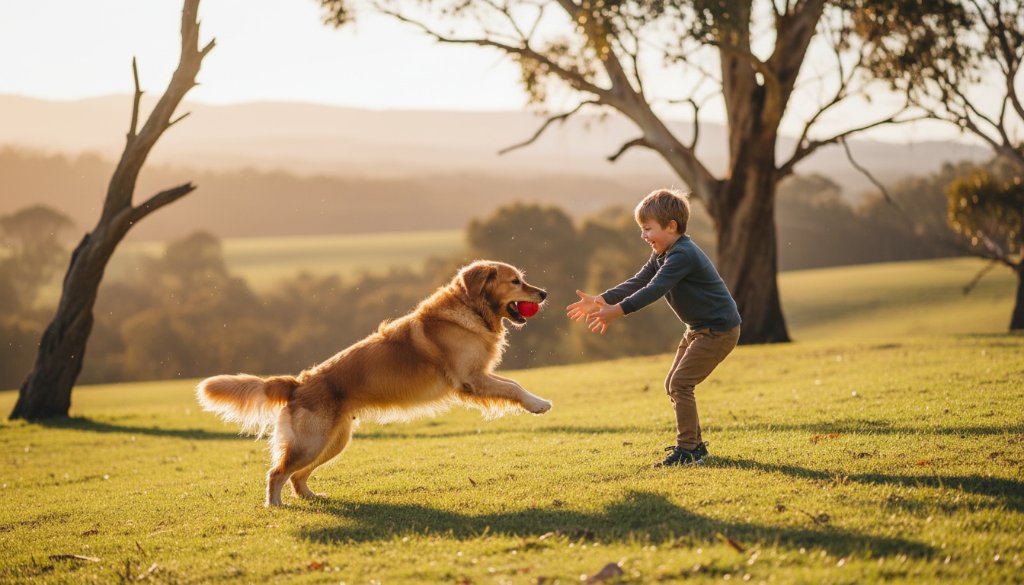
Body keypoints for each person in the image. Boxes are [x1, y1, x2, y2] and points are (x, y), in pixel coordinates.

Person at [567, 189, 741, 467]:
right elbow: (639, 280)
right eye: (641, 229)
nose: (643, 236)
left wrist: (618, 311)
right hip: (698, 328)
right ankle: (695, 447)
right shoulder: (664, 252)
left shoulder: (682, 254)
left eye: (648, 229)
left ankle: (687, 450)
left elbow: (655, 289)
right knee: (673, 384)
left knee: (680, 384)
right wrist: (602, 299)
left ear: (671, 226)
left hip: (718, 330)